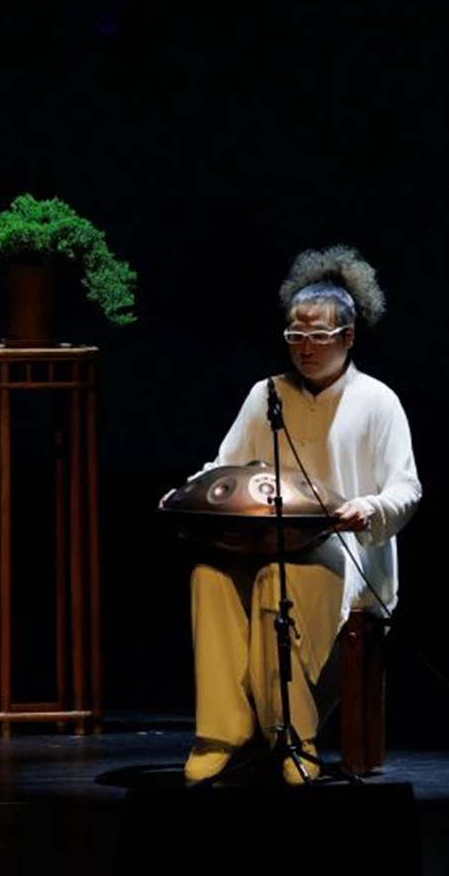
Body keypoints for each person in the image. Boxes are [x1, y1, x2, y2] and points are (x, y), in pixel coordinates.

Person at [177, 244, 422, 785]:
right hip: (267, 543)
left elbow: (406, 487)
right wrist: (188, 493)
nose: (305, 347)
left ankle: (293, 736)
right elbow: (224, 467)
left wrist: (369, 507)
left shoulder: (377, 401)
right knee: (209, 576)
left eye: (319, 335)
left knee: (276, 580)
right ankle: (221, 733)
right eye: (296, 335)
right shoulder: (266, 394)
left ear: (348, 337)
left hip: (348, 553)